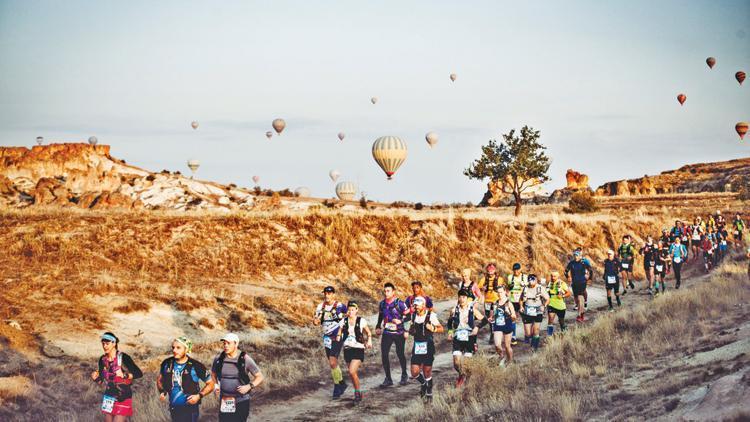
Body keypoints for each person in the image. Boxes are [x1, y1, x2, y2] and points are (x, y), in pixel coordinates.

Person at [157, 336, 214, 422]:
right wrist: (162, 391)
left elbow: (210, 383)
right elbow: (159, 380)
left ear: (186, 349)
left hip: (190, 410)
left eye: (178, 348)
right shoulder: (167, 363)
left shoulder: (196, 365)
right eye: (173, 347)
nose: (174, 350)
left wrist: (199, 396)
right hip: (174, 409)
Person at [210, 333, 264, 421]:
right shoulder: (218, 359)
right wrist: (216, 386)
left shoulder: (245, 359)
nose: (225, 345)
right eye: (224, 343)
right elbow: (213, 374)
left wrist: (249, 386)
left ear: (236, 344)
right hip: (225, 400)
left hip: (241, 401)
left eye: (228, 343)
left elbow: (260, 376)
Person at [91, 332, 143, 422]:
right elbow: (101, 381)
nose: (104, 346)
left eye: (107, 344)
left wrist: (125, 375)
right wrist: (95, 379)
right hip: (109, 396)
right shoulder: (102, 360)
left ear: (114, 343)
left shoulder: (124, 358)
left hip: (123, 396)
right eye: (103, 344)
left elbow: (139, 373)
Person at [313, 285, 348, 398]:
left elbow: (349, 315)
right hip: (327, 336)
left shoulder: (339, 305)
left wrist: (341, 317)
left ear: (333, 294)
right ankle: (341, 383)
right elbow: (315, 321)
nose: (327, 296)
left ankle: (337, 386)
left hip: (337, 334)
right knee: (332, 363)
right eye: (325, 294)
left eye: (329, 293)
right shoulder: (320, 306)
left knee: (333, 361)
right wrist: (316, 321)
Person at [447, 289, 485, 387]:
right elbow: (449, 322)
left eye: (464, 297)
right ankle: (462, 375)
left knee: (467, 364)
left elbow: (484, 320)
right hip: (458, 337)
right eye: (460, 297)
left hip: (470, 337)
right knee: (456, 363)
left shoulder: (472, 310)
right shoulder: (454, 310)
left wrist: (477, 327)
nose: (462, 299)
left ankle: (466, 381)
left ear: (468, 299)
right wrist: (450, 332)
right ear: (458, 298)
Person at [408, 296, 443, 400]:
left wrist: (433, 328)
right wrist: (411, 330)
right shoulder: (413, 316)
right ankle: (423, 383)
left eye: (418, 305)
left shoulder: (431, 315)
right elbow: (411, 329)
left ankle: (429, 393)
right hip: (417, 345)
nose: (416, 307)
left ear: (423, 305)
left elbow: (441, 328)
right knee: (414, 372)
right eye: (415, 305)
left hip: (428, 345)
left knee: (427, 371)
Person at [337, 301, 373, 402]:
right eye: (349, 310)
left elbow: (368, 332)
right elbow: (339, 330)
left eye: (353, 309)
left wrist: (369, 340)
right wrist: (338, 336)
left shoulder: (361, 321)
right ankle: (358, 391)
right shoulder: (344, 321)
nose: (351, 311)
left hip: (358, 348)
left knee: (352, 371)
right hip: (347, 348)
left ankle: (357, 392)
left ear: (356, 310)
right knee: (352, 373)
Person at [375, 282, 409, 387]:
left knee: (400, 353)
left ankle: (404, 374)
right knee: (384, 354)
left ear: (393, 292)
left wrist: (401, 322)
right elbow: (381, 315)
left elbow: (408, 316)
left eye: (388, 291)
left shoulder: (400, 303)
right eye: (385, 291)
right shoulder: (382, 304)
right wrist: (378, 326)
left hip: (399, 332)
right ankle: (388, 378)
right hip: (387, 333)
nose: (386, 293)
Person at [519, 274, 550, 352]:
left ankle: (534, 348)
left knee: (536, 330)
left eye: (533, 280)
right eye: (530, 280)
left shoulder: (540, 288)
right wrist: (521, 306)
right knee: (528, 333)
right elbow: (521, 299)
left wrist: (544, 305)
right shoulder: (525, 288)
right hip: (527, 310)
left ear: (536, 281)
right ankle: (530, 338)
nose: (531, 282)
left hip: (538, 310)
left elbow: (547, 299)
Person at [489, 286, 517, 366]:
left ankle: (510, 362)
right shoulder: (494, 303)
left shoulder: (509, 303)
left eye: (501, 292)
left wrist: (510, 314)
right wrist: (490, 319)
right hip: (498, 326)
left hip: (507, 325)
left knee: (507, 346)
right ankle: (502, 357)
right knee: (497, 345)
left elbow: (514, 317)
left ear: (505, 292)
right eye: (498, 292)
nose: (499, 294)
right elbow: (492, 316)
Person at [565, 250, 592, 322]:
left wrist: (589, 278)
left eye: (577, 255)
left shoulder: (584, 262)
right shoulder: (571, 263)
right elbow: (566, 271)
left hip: (582, 282)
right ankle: (582, 312)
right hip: (574, 283)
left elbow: (590, 270)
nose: (576, 257)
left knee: (580, 297)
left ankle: (579, 315)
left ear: (580, 256)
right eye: (575, 255)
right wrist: (568, 277)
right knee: (576, 299)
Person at [505, 263, 528, 345]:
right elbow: (507, 289)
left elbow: (527, 288)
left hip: (522, 300)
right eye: (514, 270)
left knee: (525, 319)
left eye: (517, 269)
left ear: (520, 269)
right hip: (512, 301)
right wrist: (508, 289)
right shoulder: (510, 277)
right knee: (513, 318)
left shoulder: (525, 277)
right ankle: (513, 336)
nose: (516, 271)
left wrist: (524, 286)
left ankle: (527, 336)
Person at [479, 263, 501, 344]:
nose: (490, 272)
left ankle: (495, 335)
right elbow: (479, 287)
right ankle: (493, 333)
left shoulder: (499, 279)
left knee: (495, 318)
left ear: (495, 271)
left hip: (496, 301)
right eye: (489, 271)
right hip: (487, 302)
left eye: (492, 271)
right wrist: (482, 288)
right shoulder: (484, 279)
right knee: (489, 318)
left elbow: (503, 287)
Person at [546, 270, 570, 336]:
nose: (553, 277)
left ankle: (564, 331)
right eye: (552, 276)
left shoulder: (562, 283)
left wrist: (562, 295)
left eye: (554, 276)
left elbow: (569, 293)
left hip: (560, 305)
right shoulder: (549, 283)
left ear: (558, 276)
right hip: (551, 304)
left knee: (561, 321)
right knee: (550, 320)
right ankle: (549, 336)